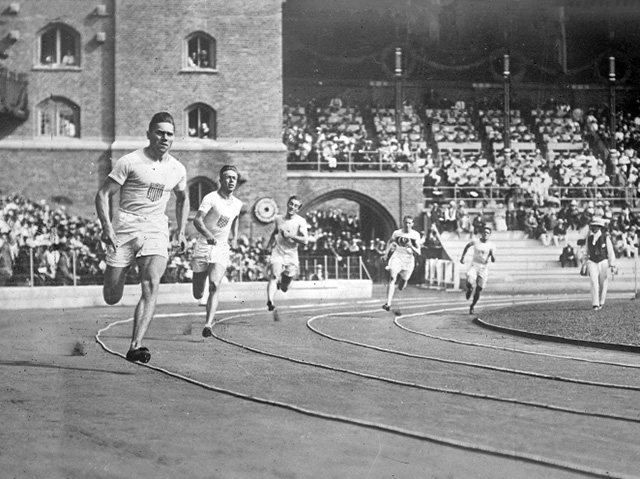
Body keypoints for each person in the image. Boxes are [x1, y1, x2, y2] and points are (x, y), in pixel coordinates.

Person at [95, 112, 189, 363]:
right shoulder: (130, 161)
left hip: (156, 227)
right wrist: (106, 226)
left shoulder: (178, 168)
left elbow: (183, 198)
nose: (164, 138)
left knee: (151, 283)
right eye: (160, 132)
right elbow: (103, 195)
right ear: (149, 134)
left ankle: (136, 346)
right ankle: (121, 270)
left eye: (169, 134)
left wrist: (180, 232)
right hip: (126, 225)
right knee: (111, 296)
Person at [191, 165, 243, 337]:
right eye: (227, 177)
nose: (231, 181)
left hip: (221, 246)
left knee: (214, 284)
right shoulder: (211, 198)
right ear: (220, 180)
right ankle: (199, 289)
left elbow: (235, 219)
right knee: (198, 292)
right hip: (204, 244)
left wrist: (234, 237)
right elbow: (197, 220)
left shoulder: (237, 203)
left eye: (234, 178)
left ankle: (208, 324)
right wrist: (207, 234)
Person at [266, 196, 309, 315]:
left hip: (291, 255)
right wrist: (269, 245)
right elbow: (275, 232)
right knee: (274, 275)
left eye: (295, 206)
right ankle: (270, 301)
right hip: (278, 252)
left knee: (285, 288)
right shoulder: (278, 219)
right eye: (291, 204)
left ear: (298, 209)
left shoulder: (301, 221)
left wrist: (290, 236)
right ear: (287, 204)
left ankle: (281, 284)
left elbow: (305, 240)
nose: (292, 207)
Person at [382, 215, 422, 312]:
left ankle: (403, 281)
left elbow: (418, 252)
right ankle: (388, 303)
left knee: (401, 286)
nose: (407, 225)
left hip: (408, 260)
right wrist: (386, 253)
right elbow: (390, 241)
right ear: (403, 223)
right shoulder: (397, 233)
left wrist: (411, 246)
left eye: (409, 223)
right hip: (397, 256)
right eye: (405, 223)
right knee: (392, 278)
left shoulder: (415, 235)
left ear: (412, 224)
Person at [460, 225, 496, 315]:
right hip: (474, 265)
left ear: (490, 235)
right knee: (469, 281)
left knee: (479, 289)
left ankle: (472, 306)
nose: (485, 234)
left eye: (487, 233)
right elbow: (467, 246)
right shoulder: (476, 241)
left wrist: (492, 254)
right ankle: (469, 288)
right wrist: (463, 257)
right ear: (482, 233)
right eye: (484, 232)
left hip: (483, 268)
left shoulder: (491, 245)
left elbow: (493, 260)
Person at [584, 217, 616, 311]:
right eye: (592, 226)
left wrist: (612, 264)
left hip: (603, 261)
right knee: (594, 282)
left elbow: (610, 252)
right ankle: (595, 303)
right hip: (592, 261)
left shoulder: (605, 238)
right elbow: (586, 252)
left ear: (599, 227)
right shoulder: (589, 238)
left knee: (603, 283)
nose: (592, 228)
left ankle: (601, 301)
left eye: (594, 226)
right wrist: (584, 263)